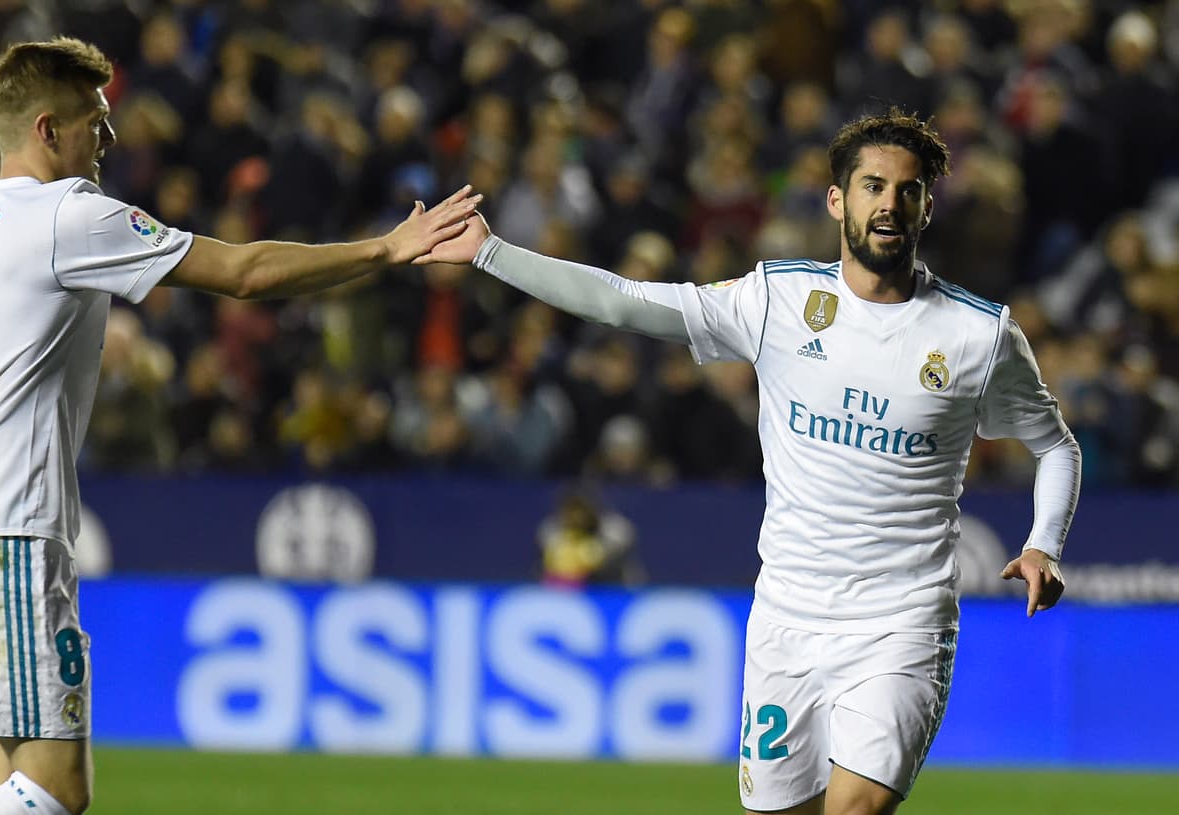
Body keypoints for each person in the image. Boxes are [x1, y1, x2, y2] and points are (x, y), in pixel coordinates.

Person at [425, 108, 1081, 815]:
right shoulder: (780, 299)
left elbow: (1055, 445)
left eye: (907, 190)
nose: (888, 203)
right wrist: (493, 253)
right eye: (871, 186)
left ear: (927, 205)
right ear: (837, 200)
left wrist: (1044, 541)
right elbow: (628, 303)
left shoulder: (977, 334)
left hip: (902, 618)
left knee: (856, 808)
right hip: (785, 618)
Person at [0, 37, 479, 815]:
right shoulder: (68, 216)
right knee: (54, 791)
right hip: (7, 530)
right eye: (93, 122)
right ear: (47, 130)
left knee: (7, 791)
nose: (108, 139)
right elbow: (243, 273)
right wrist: (386, 246)